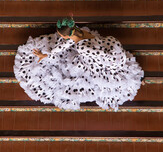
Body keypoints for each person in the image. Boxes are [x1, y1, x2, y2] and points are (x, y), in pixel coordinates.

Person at [14, 17, 144, 111]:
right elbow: (67, 44)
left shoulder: (83, 48)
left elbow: (101, 56)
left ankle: (129, 77)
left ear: (67, 35)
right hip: (99, 48)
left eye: (62, 35)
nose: (62, 38)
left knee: (73, 73)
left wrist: (111, 66)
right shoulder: (80, 32)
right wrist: (48, 54)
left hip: (103, 60)